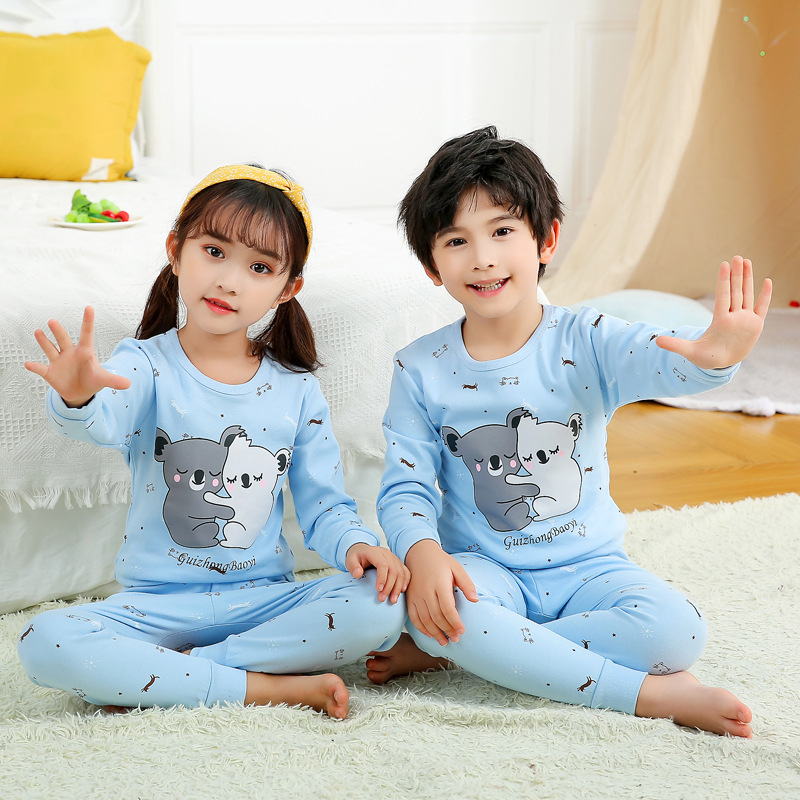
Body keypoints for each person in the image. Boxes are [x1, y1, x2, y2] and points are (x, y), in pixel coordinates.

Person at [367, 126, 771, 738]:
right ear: (432, 265)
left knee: (678, 633)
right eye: (456, 240)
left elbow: (666, 357)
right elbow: (406, 487)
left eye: (503, 231)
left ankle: (467, 653)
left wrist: (715, 355)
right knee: (442, 612)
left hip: (591, 569)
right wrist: (424, 555)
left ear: (547, 239)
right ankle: (647, 697)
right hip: (484, 573)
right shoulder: (418, 367)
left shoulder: (588, 339)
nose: (482, 257)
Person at [19, 164, 409, 719]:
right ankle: (270, 687)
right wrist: (79, 398)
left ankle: (172, 676)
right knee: (45, 641)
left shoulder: (297, 389)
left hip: (262, 603)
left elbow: (324, 506)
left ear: (287, 289)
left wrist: (355, 544)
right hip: (154, 608)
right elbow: (104, 421)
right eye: (214, 251)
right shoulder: (143, 363)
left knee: (381, 605)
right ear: (175, 252)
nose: (229, 280)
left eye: (259, 267)